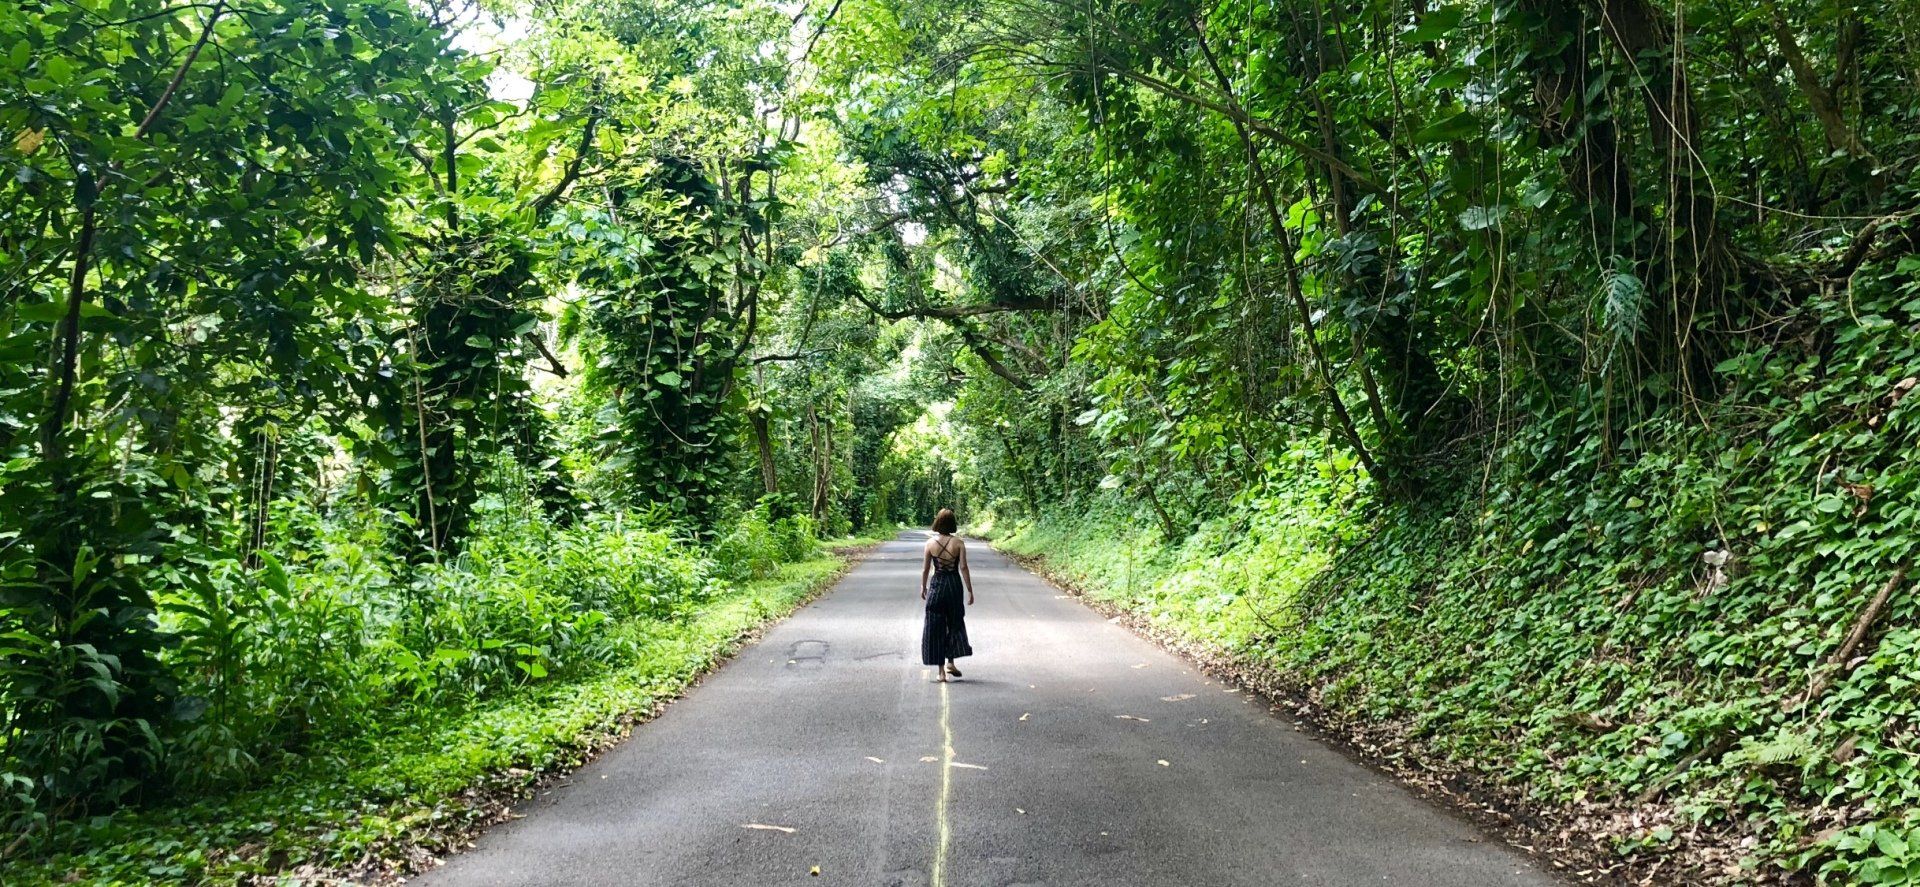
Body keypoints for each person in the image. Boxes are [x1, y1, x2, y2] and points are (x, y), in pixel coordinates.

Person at [919, 508, 974, 682]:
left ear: (937, 522)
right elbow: (963, 568)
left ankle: (941, 672)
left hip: (937, 585)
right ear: (952, 524)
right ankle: (951, 661)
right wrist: (970, 590)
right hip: (953, 585)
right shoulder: (958, 543)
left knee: (935, 626)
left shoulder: (930, 544)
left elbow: (926, 569)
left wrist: (923, 586)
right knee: (954, 621)